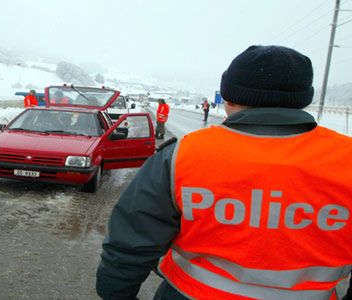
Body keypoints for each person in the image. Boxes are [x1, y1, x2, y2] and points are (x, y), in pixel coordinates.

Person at [96, 45, 352, 299]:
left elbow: (132, 239)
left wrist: (116, 293)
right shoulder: (345, 158)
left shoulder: (182, 155)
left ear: (229, 98)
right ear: (303, 99)